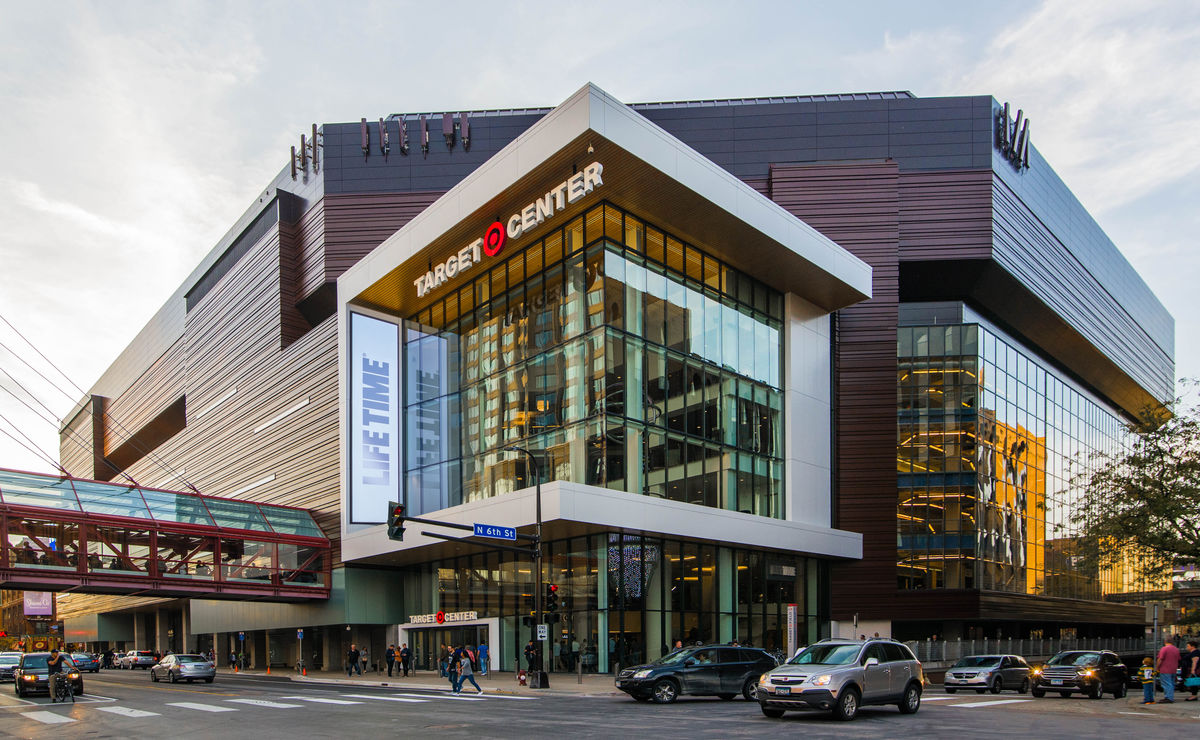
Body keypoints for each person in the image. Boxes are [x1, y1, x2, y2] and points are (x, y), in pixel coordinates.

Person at [1156, 637, 1181, 703]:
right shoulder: (1176, 649)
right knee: (1171, 683)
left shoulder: (1164, 649)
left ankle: (1168, 697)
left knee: (1166, 684)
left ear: (1165, 642)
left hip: (1165, 669)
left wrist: (1157, 667)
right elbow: (1178, 659)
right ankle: (1170, 696)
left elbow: (1160, 659)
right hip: (1173, 669)